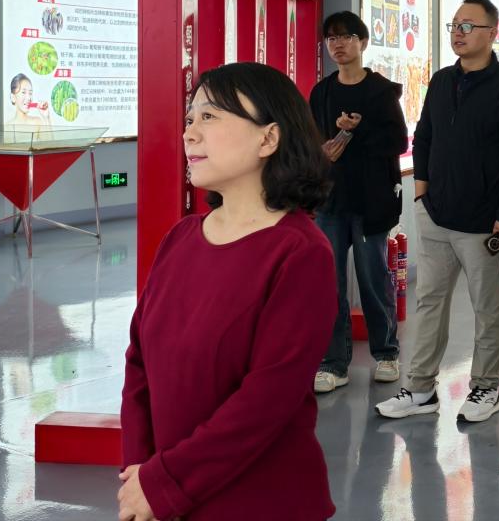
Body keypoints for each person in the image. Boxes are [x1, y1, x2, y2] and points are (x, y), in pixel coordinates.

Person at [119, 62, 337, 521]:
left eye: (210, 117)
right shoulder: (180, 238)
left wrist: (166, 482)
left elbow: (266, 402)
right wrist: (141, 471)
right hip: (164, 498)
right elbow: (139, 362)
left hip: (259, 502)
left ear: (268, 138)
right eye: (189, 118)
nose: (190, 133)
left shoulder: (300, 254)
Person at [376, 0, 499, 423]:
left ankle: (485, 389)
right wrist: (422, 194)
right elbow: (424, 137)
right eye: (454, 25)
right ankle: (420, 388)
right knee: (429, 303)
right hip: (436, 217)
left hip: (485, 224)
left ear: (492, 33)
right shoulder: (442, 81)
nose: (459, 33)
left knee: (488, 310)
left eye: (468, 26)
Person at [309, 11, 408, 393]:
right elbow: (310, 139)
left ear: (363, 42)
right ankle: (334, 363)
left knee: (373, 279)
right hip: (330, 203)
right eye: (331, 38)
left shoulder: (380, 92)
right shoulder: (322, 92)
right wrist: (322, 149)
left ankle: (386, 353)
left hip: (370, 203)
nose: (338, 44)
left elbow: (397, 141)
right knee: (328, 285)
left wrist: (357, 131)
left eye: (346, 36)